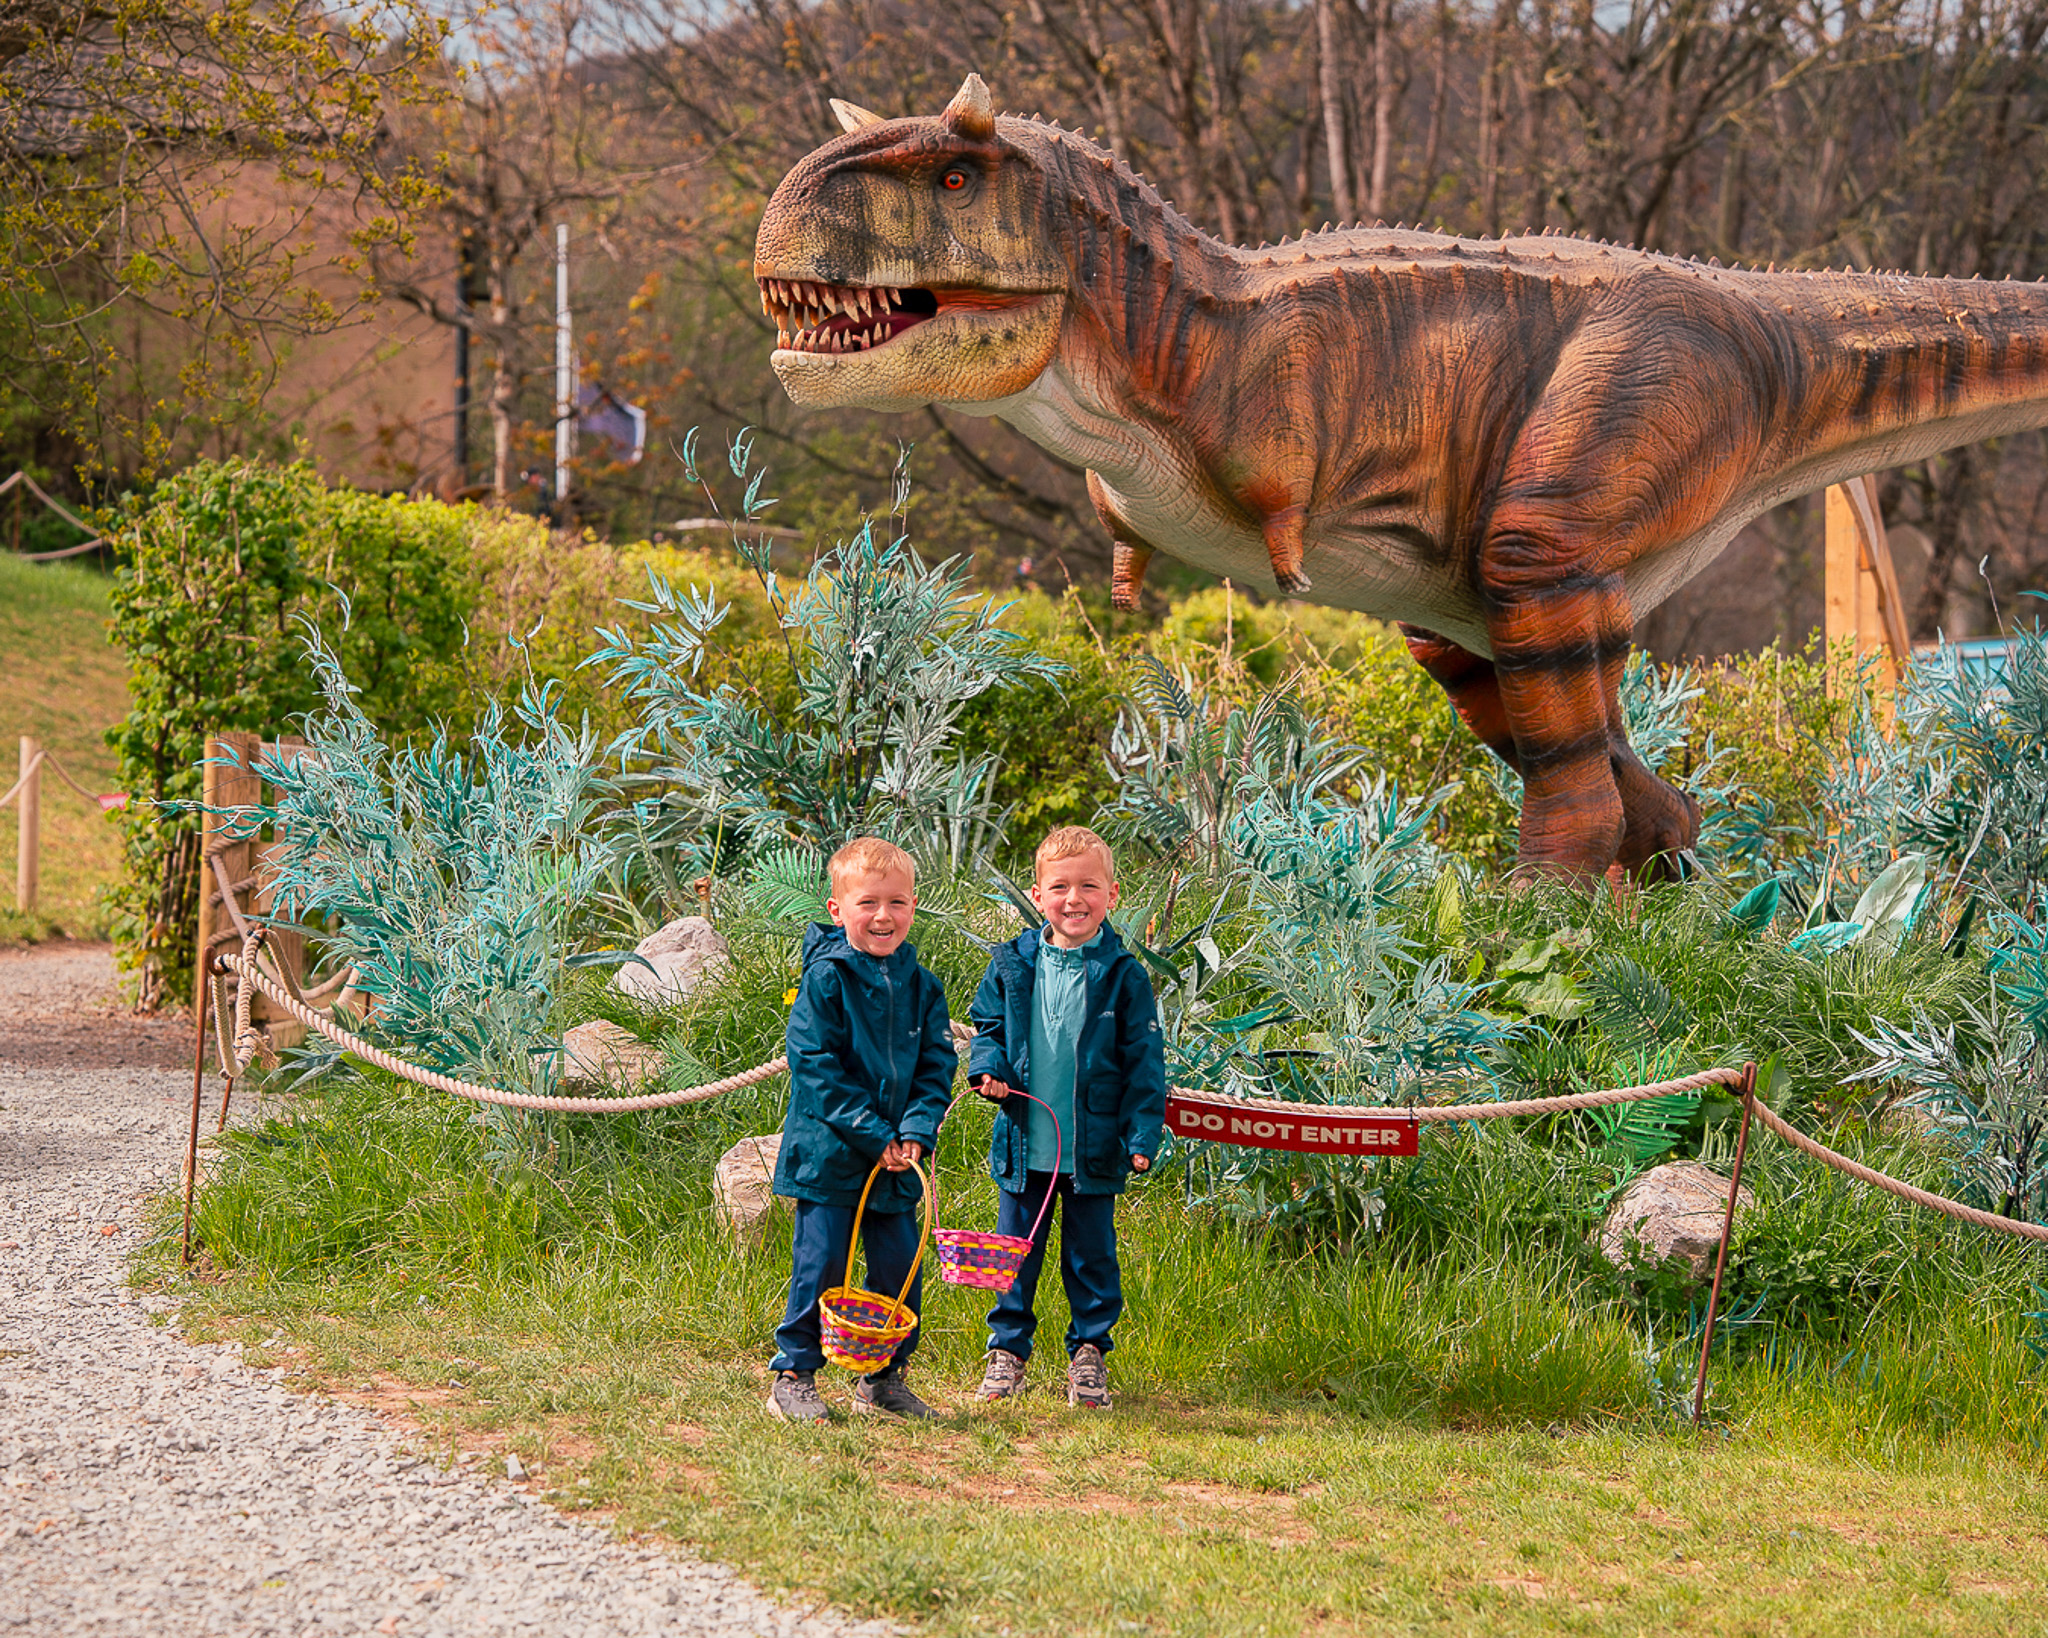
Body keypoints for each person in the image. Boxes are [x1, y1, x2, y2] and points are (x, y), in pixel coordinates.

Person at [967, 826, 1166, 1408]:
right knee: (1011, 1254)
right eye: (1060, 887)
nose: (1073, 899)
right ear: (1036, 894)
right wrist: (989, 1070)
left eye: (1088, 887)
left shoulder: (1124, 975)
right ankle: (1006, 1352)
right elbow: (989, 1029)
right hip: (1025, 1143)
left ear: (1113, 893)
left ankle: (1089, 1355)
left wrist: (1141, 1132)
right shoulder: (1011, 962)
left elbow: (1143, 1062)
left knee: (1091, 1256)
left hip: (1094, 1145)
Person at [766, 836, 956, 1423]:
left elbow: (936, 1065)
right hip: (831, 1156)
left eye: (897, 903)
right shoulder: (826, 980)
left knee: (899, 1269)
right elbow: (816, 1066)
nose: (883, 916)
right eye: (868, 903)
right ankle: (794, 1372)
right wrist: (877, 1135)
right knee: (821, 1265)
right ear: (837, 910)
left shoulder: (924, 986)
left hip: (898, 1159)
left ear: (913, 907)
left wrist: (916, 1132)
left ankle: (884, 1378)